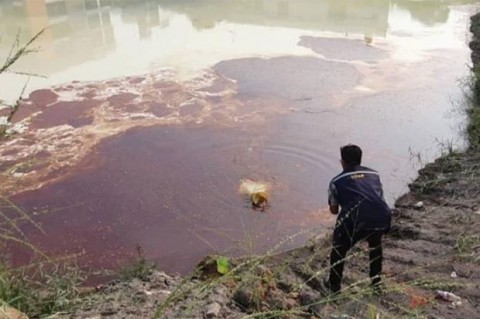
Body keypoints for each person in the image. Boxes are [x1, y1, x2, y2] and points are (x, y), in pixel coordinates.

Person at [326, 144, 391, 294]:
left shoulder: (336, 182)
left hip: (355, 221)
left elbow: (334, 211)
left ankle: (334, 285)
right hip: (382, 217)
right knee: (375, 245)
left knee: (339, 248)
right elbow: (377, 197)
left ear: (342, 162)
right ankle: (376, 283)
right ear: (360, 160)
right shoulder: (375, 174)